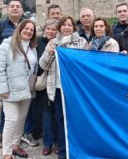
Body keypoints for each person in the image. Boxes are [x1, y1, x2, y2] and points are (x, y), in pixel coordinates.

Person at [39, 15, 87, 159]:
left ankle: (77, 150)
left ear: (74, 27)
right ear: (60, 28)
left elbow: (85, 64)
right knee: (60, 119)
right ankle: (63, 151)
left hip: (74, 90)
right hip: (58, 88)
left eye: (69, 25)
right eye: (64, 25)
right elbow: (43, 65)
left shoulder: (82, 42)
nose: (67, 27)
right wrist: (50, 53)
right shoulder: (53, 43)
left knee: (76, 119)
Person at [0, 20, 38, 159]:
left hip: (26, 90)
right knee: (12, 119)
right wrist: (3, 89)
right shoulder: (6, 46)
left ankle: (16, 146)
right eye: (26, 28)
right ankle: (7, 153)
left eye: (31, 30)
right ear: (19, 29)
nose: (28, 31)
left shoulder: (32, 47)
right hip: (10, 90)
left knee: (21, 119)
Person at [0, 0, 24, 148]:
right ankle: (4, 136)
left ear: (21, 10)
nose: (15, 9)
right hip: (6, 74)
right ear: (8, 9)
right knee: (7, 106)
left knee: (22, 106)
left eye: (18, 6)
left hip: (23, 74)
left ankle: (19, 137)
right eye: (12, 6)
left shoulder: (26, 25)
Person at [34, 19, 59, 156]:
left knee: (58, 115)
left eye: (53, 29)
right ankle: (48, 144)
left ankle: (58, 142)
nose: (50, 31)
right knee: (46, 115)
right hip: (43, 84)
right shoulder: (38, 43)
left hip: (56, 83)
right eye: (48, 29)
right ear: (44, 30)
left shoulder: (60, 43)